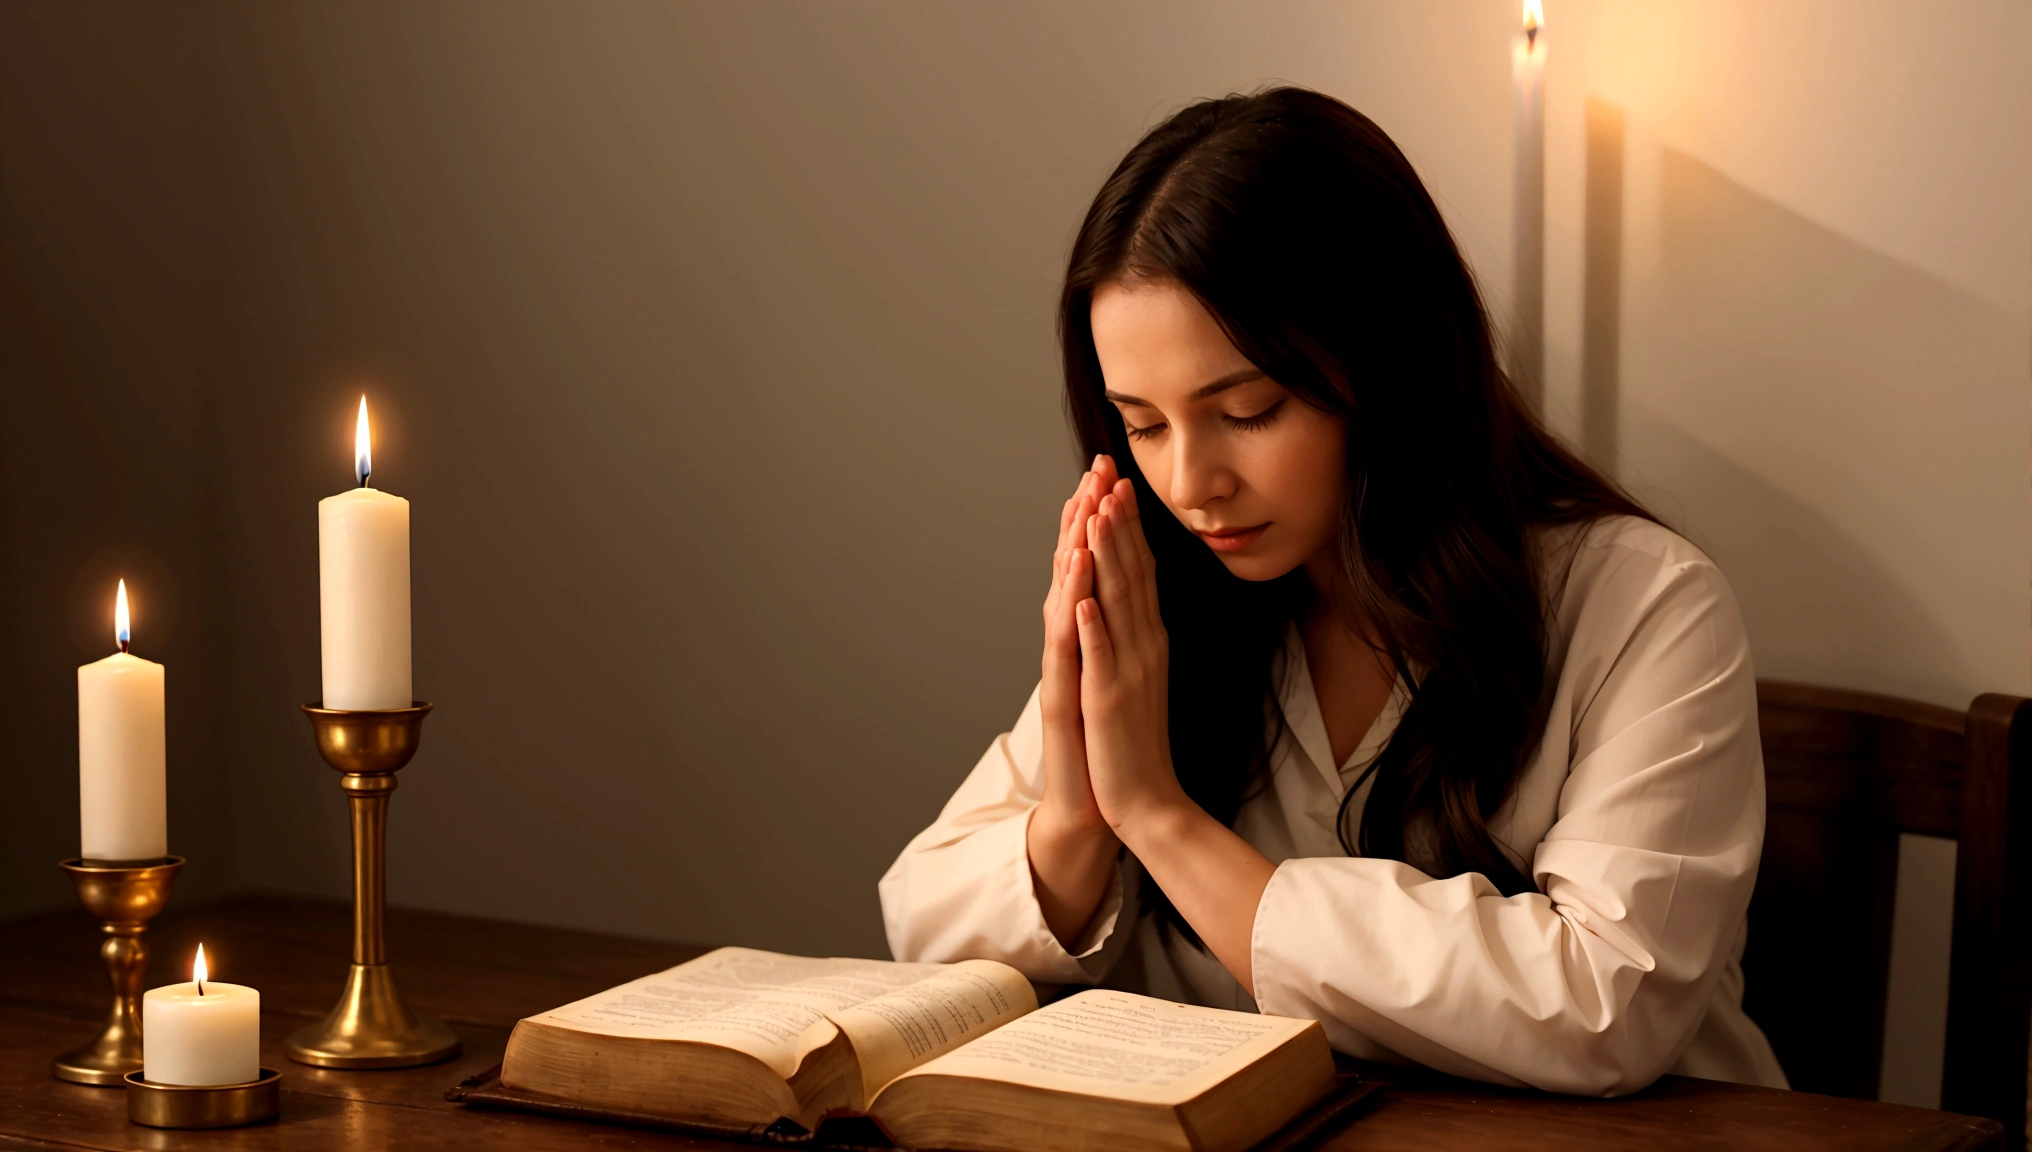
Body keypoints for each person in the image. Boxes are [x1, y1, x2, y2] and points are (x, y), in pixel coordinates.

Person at [879, 87, 1786, 1096]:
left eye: (1247, 410)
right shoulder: (1171, 600)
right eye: (1141, 425)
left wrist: (1162, 820)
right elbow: (926, 920)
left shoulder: (1642, 605)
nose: (1188, 485)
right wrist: (1081, 805)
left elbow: (1602, 1002)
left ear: (1386, 367)